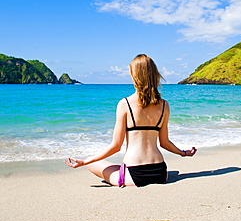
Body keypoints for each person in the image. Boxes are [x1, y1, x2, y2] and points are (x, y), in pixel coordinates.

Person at [64, 54, 197, 187]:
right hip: (160, 172)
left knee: (92, 163)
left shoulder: (125, 104)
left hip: (135, 174)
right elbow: (165, 143)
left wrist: (85, 161)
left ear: (134, 76)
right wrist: (184, 153)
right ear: (154, 75)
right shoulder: (164, 105)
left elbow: (116, 146)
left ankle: (99, 165)